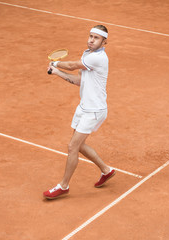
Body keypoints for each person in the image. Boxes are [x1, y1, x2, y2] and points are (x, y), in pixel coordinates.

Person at [43, 25, 115, 200]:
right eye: (90, 36)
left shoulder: (99, 58)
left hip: (94, 110)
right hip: (84, 107)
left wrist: (56, 63)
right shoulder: (88, 55)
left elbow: (73, 65)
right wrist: (57, 72)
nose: (91, 40)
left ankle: (64, 186)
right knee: (79, 145)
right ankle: (106, 170)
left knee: (72, 146)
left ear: (104, 42)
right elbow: (78, 81)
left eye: (96, 38)